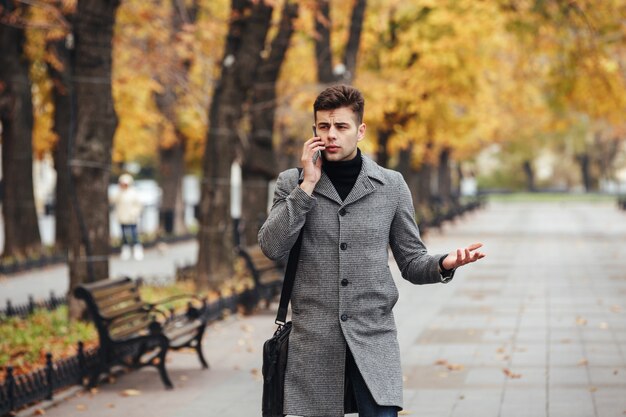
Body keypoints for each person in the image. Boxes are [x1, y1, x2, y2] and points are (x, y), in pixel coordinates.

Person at [258, 85, 485, 417]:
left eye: (341, 127)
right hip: (315, 346)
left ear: (360, 131)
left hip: (373, 340)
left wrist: (444, 263)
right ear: (314, 131)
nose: (331, 135)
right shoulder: (292, 183)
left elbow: (411, 261)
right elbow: (272, 246)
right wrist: (307, 186)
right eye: (324, 127)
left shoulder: (390, 185)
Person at [111, 173, 144, 260]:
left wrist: (134, 213)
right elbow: (113, 200)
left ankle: (137, 249)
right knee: (124, 234)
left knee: (134, 234)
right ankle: (126, 250)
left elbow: (138, 205)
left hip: (132, 218)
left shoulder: (133, 193)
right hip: (122, 217)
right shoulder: (119, 193)